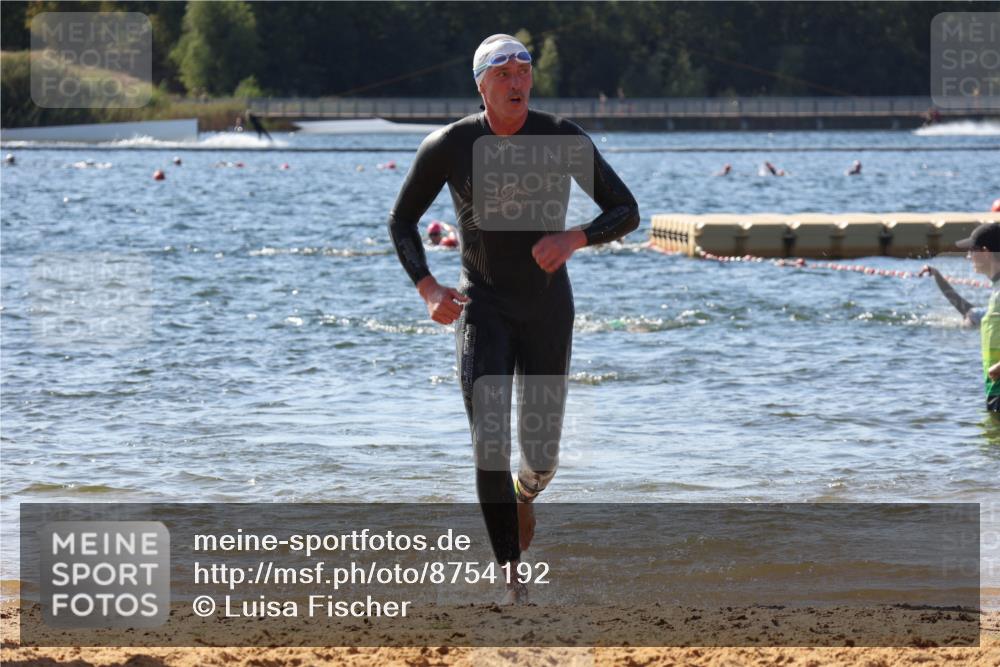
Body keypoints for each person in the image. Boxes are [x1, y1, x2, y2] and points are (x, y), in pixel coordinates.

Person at [388, 33, 639, 604]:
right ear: (481, 85)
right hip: (484, 309)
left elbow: (626, 210)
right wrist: (428, 287)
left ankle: (527, 497)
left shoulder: (560, 138)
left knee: (541, 454)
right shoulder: (450, 145)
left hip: (548, 307)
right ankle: (512, 578)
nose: (516, 80)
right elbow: (402, 221)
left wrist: (575, 237)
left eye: (524, 69)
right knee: (489, 442)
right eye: (502, 72)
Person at [922, 223, 1000, 411]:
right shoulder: (996, 291)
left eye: (971, 251)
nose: (968, 257)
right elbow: (968, 311)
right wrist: (938, 277)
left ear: (985, 252)